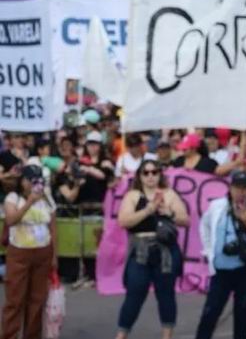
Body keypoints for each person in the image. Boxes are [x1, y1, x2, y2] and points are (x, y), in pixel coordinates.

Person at [115, 160, 189, 339]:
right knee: (134, 294)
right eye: (146, 173)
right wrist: (148, 210)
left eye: (154, 172)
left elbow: (186, 220)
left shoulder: (169, 194)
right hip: (140, 250)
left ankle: (167, 335)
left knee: (166, 295)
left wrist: (168, 212)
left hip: (165, 251)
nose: (150, 176)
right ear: (140, 176)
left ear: (159, 174)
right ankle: (121, 334)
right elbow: (123, 221)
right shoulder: (133, 195)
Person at [196, 170, 246, 339]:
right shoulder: (218, 206)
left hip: (245, 271)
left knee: (242, 315)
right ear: (230, 188)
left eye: (245, 188)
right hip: (221, 271)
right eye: (238, 187)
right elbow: (205, 226)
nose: (241, 192)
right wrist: (209, 251)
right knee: (210, 314)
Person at [1, 165, 56, 339]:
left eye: (39, 181)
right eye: (32, 181)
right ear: (23, 181)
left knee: (37, 299)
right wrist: (30, 202)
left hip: (43, 251)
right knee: (15, 299)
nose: (36, 185)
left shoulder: (47, 198)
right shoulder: (13, 197)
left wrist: (54, 256)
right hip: (19, 252)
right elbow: (11, 220)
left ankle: (32, 335)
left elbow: (53, 228)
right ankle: (9, 335)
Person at [66, 130, 114, 289]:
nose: (93, 147)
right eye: (90, 144)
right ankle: (87, 274)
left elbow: (104, 176)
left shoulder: (105, 161)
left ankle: (98, 275)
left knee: (99, 243)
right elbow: (71, 175)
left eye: (96, 144)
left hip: (100, 207)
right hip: (83, 206)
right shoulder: (80, 161)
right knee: (84, 243)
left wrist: (88, 168)